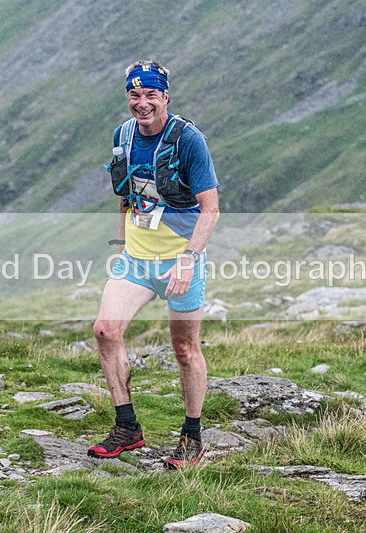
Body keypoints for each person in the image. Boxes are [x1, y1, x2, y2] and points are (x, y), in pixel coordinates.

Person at [88, 60, 220, 469]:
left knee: (184, 349)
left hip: (180, 261)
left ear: (165, 97)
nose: (142, 103)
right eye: (135, 95)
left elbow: (211, 209)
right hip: (136, 261)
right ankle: (127, 427)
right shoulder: (123, 135)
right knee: (106, 331)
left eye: (150, 95)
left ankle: (192, 437)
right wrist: (123, 240)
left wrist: (187, 261)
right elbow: (125, 193)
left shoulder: (188, 140)